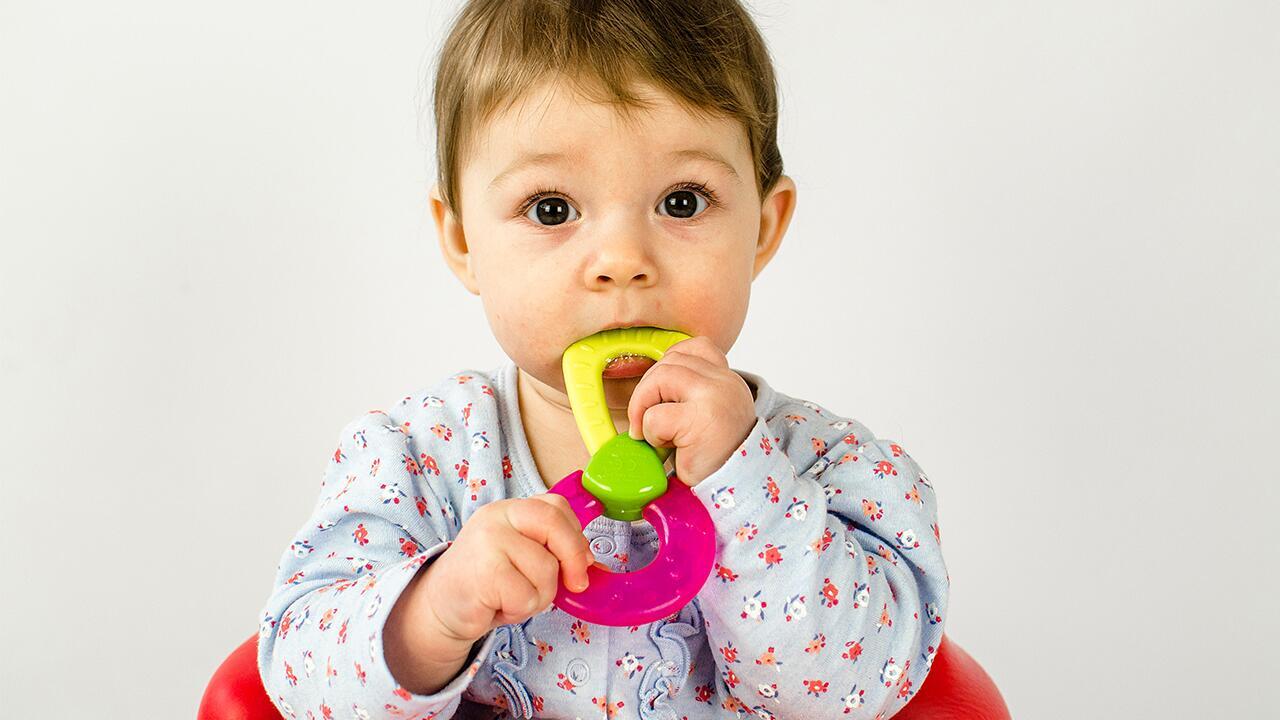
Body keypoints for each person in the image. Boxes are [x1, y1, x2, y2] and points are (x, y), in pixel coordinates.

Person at [257, 1, 948, 717]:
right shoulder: (415, 458)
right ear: (463, 241)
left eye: (682, 201)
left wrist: (746, 482)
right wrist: (431, 615)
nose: (622, 262)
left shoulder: (831, 468)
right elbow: (298, 676)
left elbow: (854, 692)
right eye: (551, 208)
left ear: (764, 227)